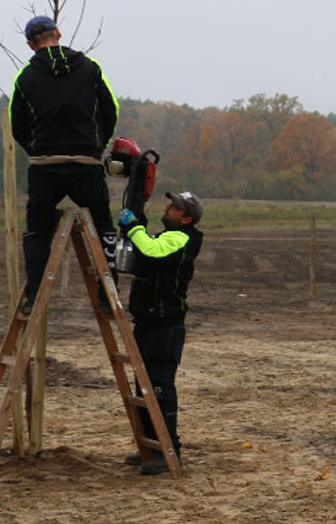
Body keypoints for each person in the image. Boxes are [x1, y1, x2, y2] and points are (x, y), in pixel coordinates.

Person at [9, 15, 120, 311]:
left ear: (31, 45)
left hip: (45, 166)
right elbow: (111, 110)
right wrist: (97, 146)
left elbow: (16, 123)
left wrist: (35, 149)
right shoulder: (90, 68)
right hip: (86, 163)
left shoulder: (26, 77)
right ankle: (109, 293)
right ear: (58, 33)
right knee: (104, 226)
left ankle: (33, 294)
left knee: (37, 230)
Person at [116, 190, 204, 476]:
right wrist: (136, 228)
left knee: (159, 388)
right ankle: (152, 446)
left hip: (165, 327)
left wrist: (133, 227)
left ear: (187, 218)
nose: (168, 208)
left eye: (175, 207)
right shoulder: (165, 236)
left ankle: (169, 451)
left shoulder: (181, 238)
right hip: (148, 322)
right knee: (144, 386)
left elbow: (151, 251)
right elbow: (146, 249)